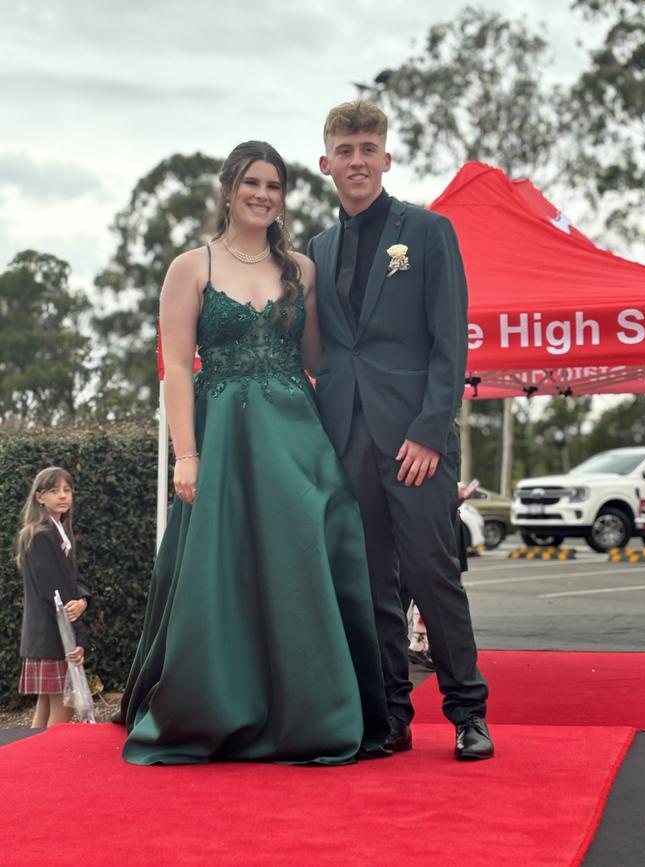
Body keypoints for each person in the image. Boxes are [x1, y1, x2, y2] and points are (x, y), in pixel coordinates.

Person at [116, 140, 390, 765]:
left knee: (302, 557)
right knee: (223, 567)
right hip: (223, 439)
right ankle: (217, 706)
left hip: (296, 435)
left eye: (274, 185)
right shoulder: (192, 267)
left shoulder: (302, 268)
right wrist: (186, 455)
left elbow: (320, 358)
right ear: (229, 188)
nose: (263, 194)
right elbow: (178, 370)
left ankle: (316, 711)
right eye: (252, 183)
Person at [308, 101, 493, 760]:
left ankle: (468, 709)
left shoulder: (430, 231)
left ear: (387, 158)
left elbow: (451, 346)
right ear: (324, 162)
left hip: (416, 443)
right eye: (344, 149)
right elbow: (326, 352)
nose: (356, 160)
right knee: (372, 582)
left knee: (431, 572)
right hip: (347, 441)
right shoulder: (317, 250)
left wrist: (428, 431)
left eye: (367, 147)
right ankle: (391, 713)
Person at [16, 467, 91, 728]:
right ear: (39, 497)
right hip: (54, 636)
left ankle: (25, 766)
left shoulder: (59, 534)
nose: (63, 496)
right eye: (54, 490)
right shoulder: (41, 536)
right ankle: (41, 768)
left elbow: (74, 584)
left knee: (47, 707)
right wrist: (76, 639)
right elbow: (55, 597)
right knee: (64, 711)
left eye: (67, 490)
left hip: (49, 636)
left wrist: (83, 601)